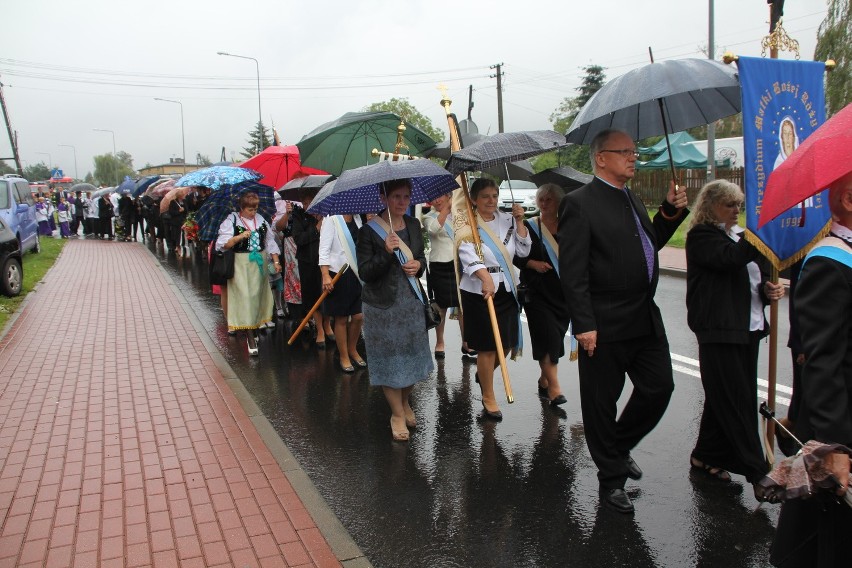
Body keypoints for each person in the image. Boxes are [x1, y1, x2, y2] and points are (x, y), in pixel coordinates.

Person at [558, 128, 688, 514]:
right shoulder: (579, 203)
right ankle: (611, 480)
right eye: (625, 152)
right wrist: (583, 323)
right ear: (601, 158)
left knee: (659, 387)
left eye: (635, 151)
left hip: (644, 317)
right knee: (601, 403)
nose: (634, 157)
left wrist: (669, 212)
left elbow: (648, 245)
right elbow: (573, 270)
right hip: (604, 321)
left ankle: (617, 447)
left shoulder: (629, 197)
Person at [770, 172, 852, 568]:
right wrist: (834, 447)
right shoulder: (830, 261)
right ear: (849, 200)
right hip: (843, 424)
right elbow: (822, 361)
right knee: (828, 537)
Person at [685, 180, 784, 489]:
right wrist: (759, 232)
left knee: (722, 399)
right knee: (737, 401)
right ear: (711, 205)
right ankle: (757, 473)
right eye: (730, 204)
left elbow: (749, 279)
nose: (736, 209)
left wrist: (770, 289)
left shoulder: (737, 238)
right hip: (720, 331)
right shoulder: (702, 237)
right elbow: (729, 261)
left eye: (739, 204)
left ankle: (705, 455)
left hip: (748, 329)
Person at [357, 179, 433, 441]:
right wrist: (386, 253)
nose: (403, 202)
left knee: (412, 356)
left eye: (406, 196)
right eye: (397, 197)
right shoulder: (368, 231)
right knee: (390, 360)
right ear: (384, 198)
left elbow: (422, 257)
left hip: (410, 302)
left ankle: (404, 401)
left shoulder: (413, 224)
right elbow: (366, 272)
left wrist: (418, 266)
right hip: (382, 306)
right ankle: (396, 414)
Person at [458, 178, 531, 421]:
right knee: (488, 347)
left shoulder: (507, 219)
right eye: (486, 196)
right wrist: (484, 277)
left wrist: (520, 222)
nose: (491, 201)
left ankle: (484, 373)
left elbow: (522, 251)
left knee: (506, 343)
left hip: (507, 287)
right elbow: (466, 255)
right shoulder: (466, 222)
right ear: (474, 199)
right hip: (479, 290)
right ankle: (488, 396)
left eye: (494, 195)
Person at [513, 183, 570, 406]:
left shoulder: (569, 226)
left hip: (562, 294)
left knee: (555, 337)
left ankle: (546, 378)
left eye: (550, 200)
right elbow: (515, 255)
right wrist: (531, 263)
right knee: (546, 335)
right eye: (541, 199)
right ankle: (555, 388)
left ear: (559, 203)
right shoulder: (529, 225)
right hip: (537, 293)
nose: (544, 204)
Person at [215, 191, 280, 356]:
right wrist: (239, 237)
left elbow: (270, 241)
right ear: (242, 208)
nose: (254, 211)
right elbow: (222, 245)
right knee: (246, 298)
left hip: (259, 264)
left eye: (255, 208)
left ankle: (255, 329)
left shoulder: (261, 220)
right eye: (250, 209)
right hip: (241, 265)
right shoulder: (232, 220)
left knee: (258, 297)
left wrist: (276, 261)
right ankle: (250, 336)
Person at [423, 192, 474, 359]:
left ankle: (466, 342)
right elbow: (434, 230)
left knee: (463, 304)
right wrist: (446, 210)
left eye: (441, 196)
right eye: (435, 197)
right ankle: (439, 342)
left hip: (460, 264)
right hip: (439, 264)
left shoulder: (459, 215)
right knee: (441, 306)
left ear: (448, 196)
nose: (437, 199)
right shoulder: (429, 216)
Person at [320, 214, 365, 372]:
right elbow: (324, 249)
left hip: (356, 273)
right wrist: (325, 275)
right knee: (341, 317)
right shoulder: (331, 219)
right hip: (337, 274)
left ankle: (352, 349)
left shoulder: (358, 219)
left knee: (359, 315)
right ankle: (344, 355)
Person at [290, 192, 333, 347]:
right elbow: (299, 239)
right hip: (307, 261)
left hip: (327, 262)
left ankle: (327, 325)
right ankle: (320, 329)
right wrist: (316, 228)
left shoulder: (328, 214)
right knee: (312, 295)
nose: (309, 205)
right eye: (306, 202)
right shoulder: (299, 216)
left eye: (312, 202)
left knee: (327, 294)